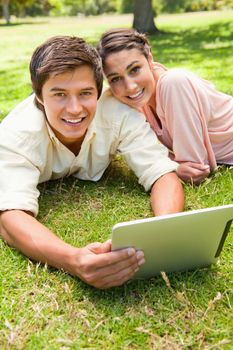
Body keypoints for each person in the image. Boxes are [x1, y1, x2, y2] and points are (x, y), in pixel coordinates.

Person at [0, 35, 184, 289]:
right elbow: (11, 217)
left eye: (85, 93)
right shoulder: (16, 134)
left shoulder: (117, 113)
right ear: (39, 96)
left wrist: (162, 230)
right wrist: (73, 260)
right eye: (60, 94)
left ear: (99, 91)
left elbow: (162, 173)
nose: (74, 108)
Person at [97, 28, 233, 184]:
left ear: (150, 59)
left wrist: (172, 166)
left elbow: (194, 169)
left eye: (134, 69)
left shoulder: (175, 83)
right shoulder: (131, 101)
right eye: (115, 79)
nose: (130, 87)